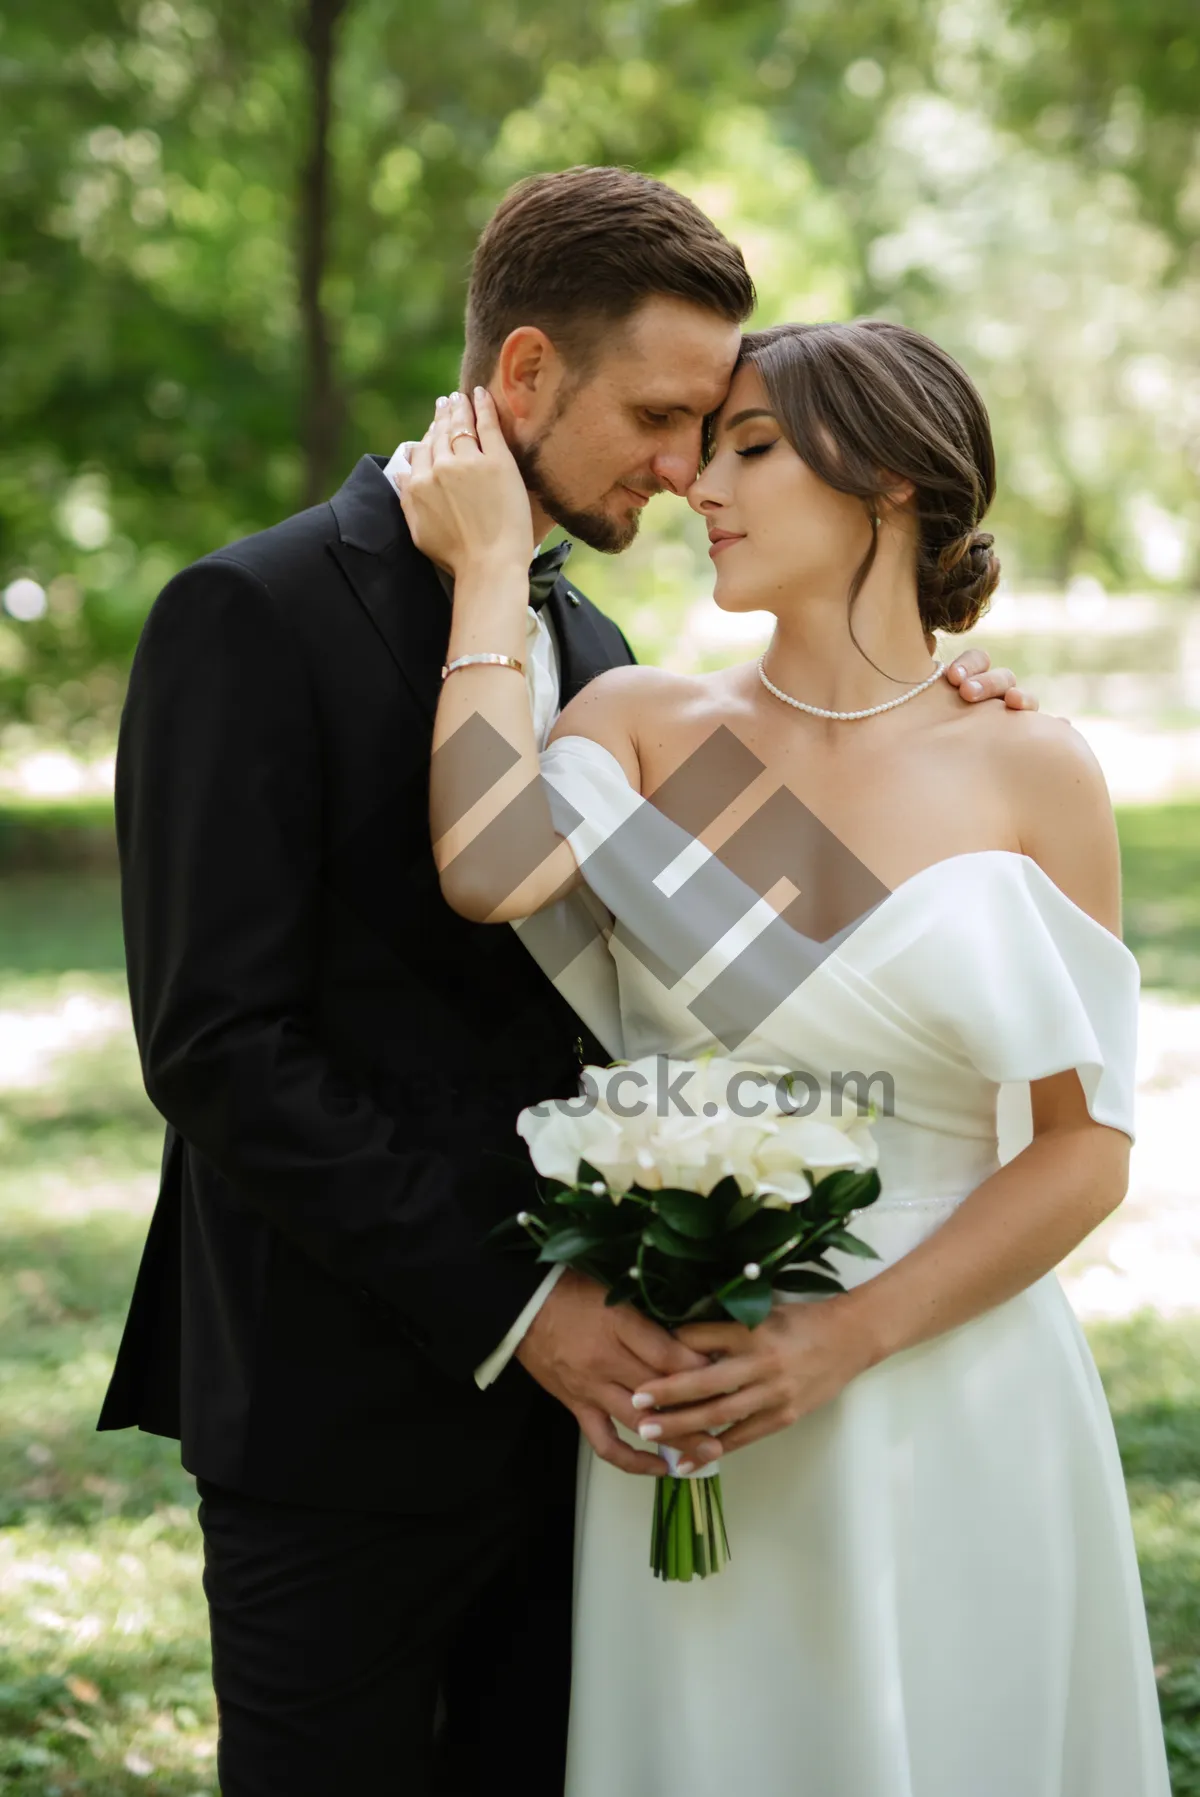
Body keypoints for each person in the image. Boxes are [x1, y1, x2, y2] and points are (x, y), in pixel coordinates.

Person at [100, 164, 1028, 1796]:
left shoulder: (596, 660)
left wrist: (949, 715)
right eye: (665, 418)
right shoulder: (245, 616)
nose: (684, 473)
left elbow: (822, 944)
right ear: (524, 375)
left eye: (713, 435)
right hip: (341, 1421)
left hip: (592, 1446)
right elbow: (218, 1046)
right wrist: (526, 1309)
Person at [398, 321, 1170, 1796]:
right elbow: (488, 870)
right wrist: (491, 574)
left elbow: (1086, 1149)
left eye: (750, 446)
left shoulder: (1031, 765)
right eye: (706, 448)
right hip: (692, 1380)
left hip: (951, 1376)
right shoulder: (641, 723)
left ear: (886, 480)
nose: (698, 482)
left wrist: (847, 1336)